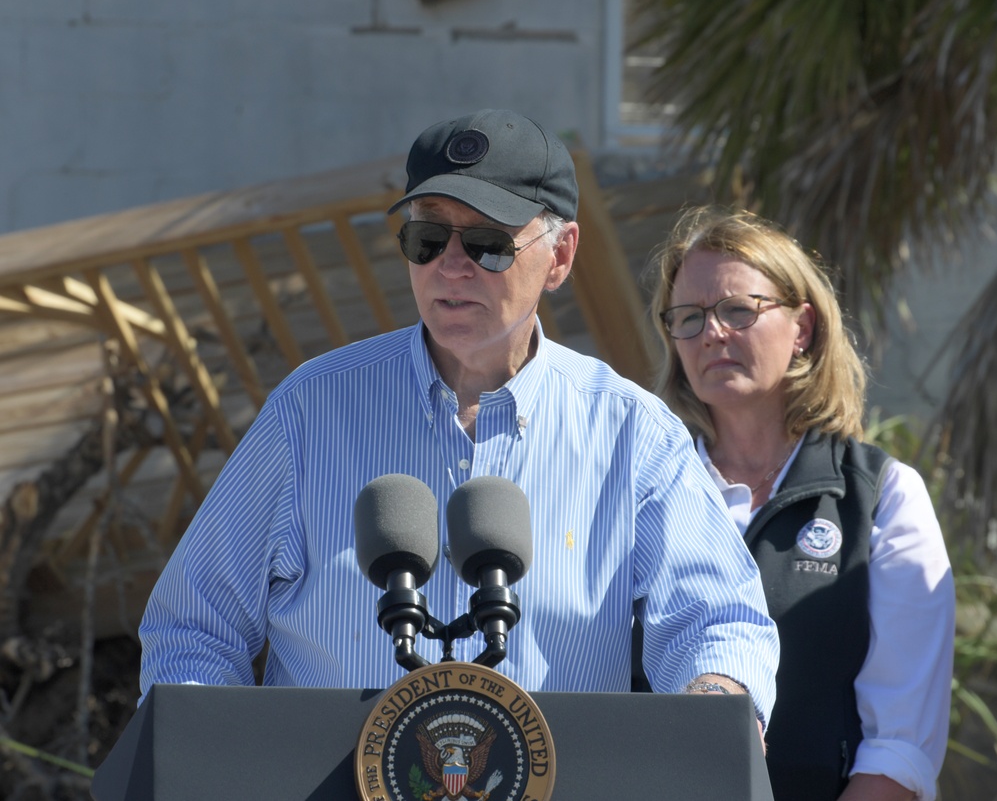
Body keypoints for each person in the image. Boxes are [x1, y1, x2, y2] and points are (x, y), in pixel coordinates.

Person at [138, 110, 779, 731]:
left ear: (560, 256)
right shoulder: (311, 410)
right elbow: (194, 626)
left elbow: (717, 621)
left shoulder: (631, 433)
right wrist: (208, 753)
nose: (450, 264)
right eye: (426, 238)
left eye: (487, 243)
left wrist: (715, 702)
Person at [647, 204, 954, 801]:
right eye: (688, 317)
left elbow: (900, 750)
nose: (712, 333)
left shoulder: (879, 496)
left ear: (803, 329)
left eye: (738, 310)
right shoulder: (643, 486)